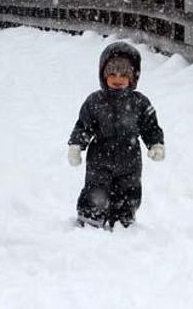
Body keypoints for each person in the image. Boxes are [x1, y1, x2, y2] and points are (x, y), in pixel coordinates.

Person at [67, 41, 165, 229]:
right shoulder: (95, 101)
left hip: (130, 158)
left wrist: (155, 144)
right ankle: (91, 217)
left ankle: (123, 219)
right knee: (96, 188)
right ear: (104, 76)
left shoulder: (140, 103)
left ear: (133, 77)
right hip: (100, 157)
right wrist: (76, 145)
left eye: (124, 74)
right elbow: (84, 125)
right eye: (112, 73)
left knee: (129, 189)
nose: (117, 78)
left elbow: (150, 126)